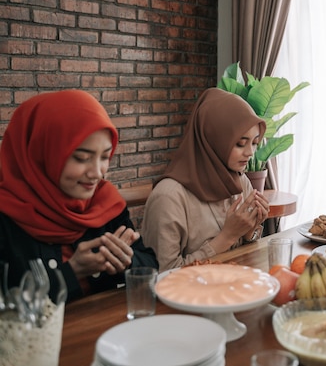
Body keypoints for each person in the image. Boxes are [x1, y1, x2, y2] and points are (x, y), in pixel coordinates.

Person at [0, 90, 158, 302]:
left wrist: (127, 260)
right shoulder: (6, 216)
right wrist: (72, 272)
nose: (98, 172)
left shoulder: (105, 202)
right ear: (41, 153)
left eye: (105, 156)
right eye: (82, 158)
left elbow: (150, 265)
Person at [141, 88, 271, 271]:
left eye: (255, 143)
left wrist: (250, 230)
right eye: (241, 143)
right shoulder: (168, 197)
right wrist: (227, 236)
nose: (250, 152)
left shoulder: (241, 182)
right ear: (213, 139)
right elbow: (163, 276)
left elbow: (245, 255)